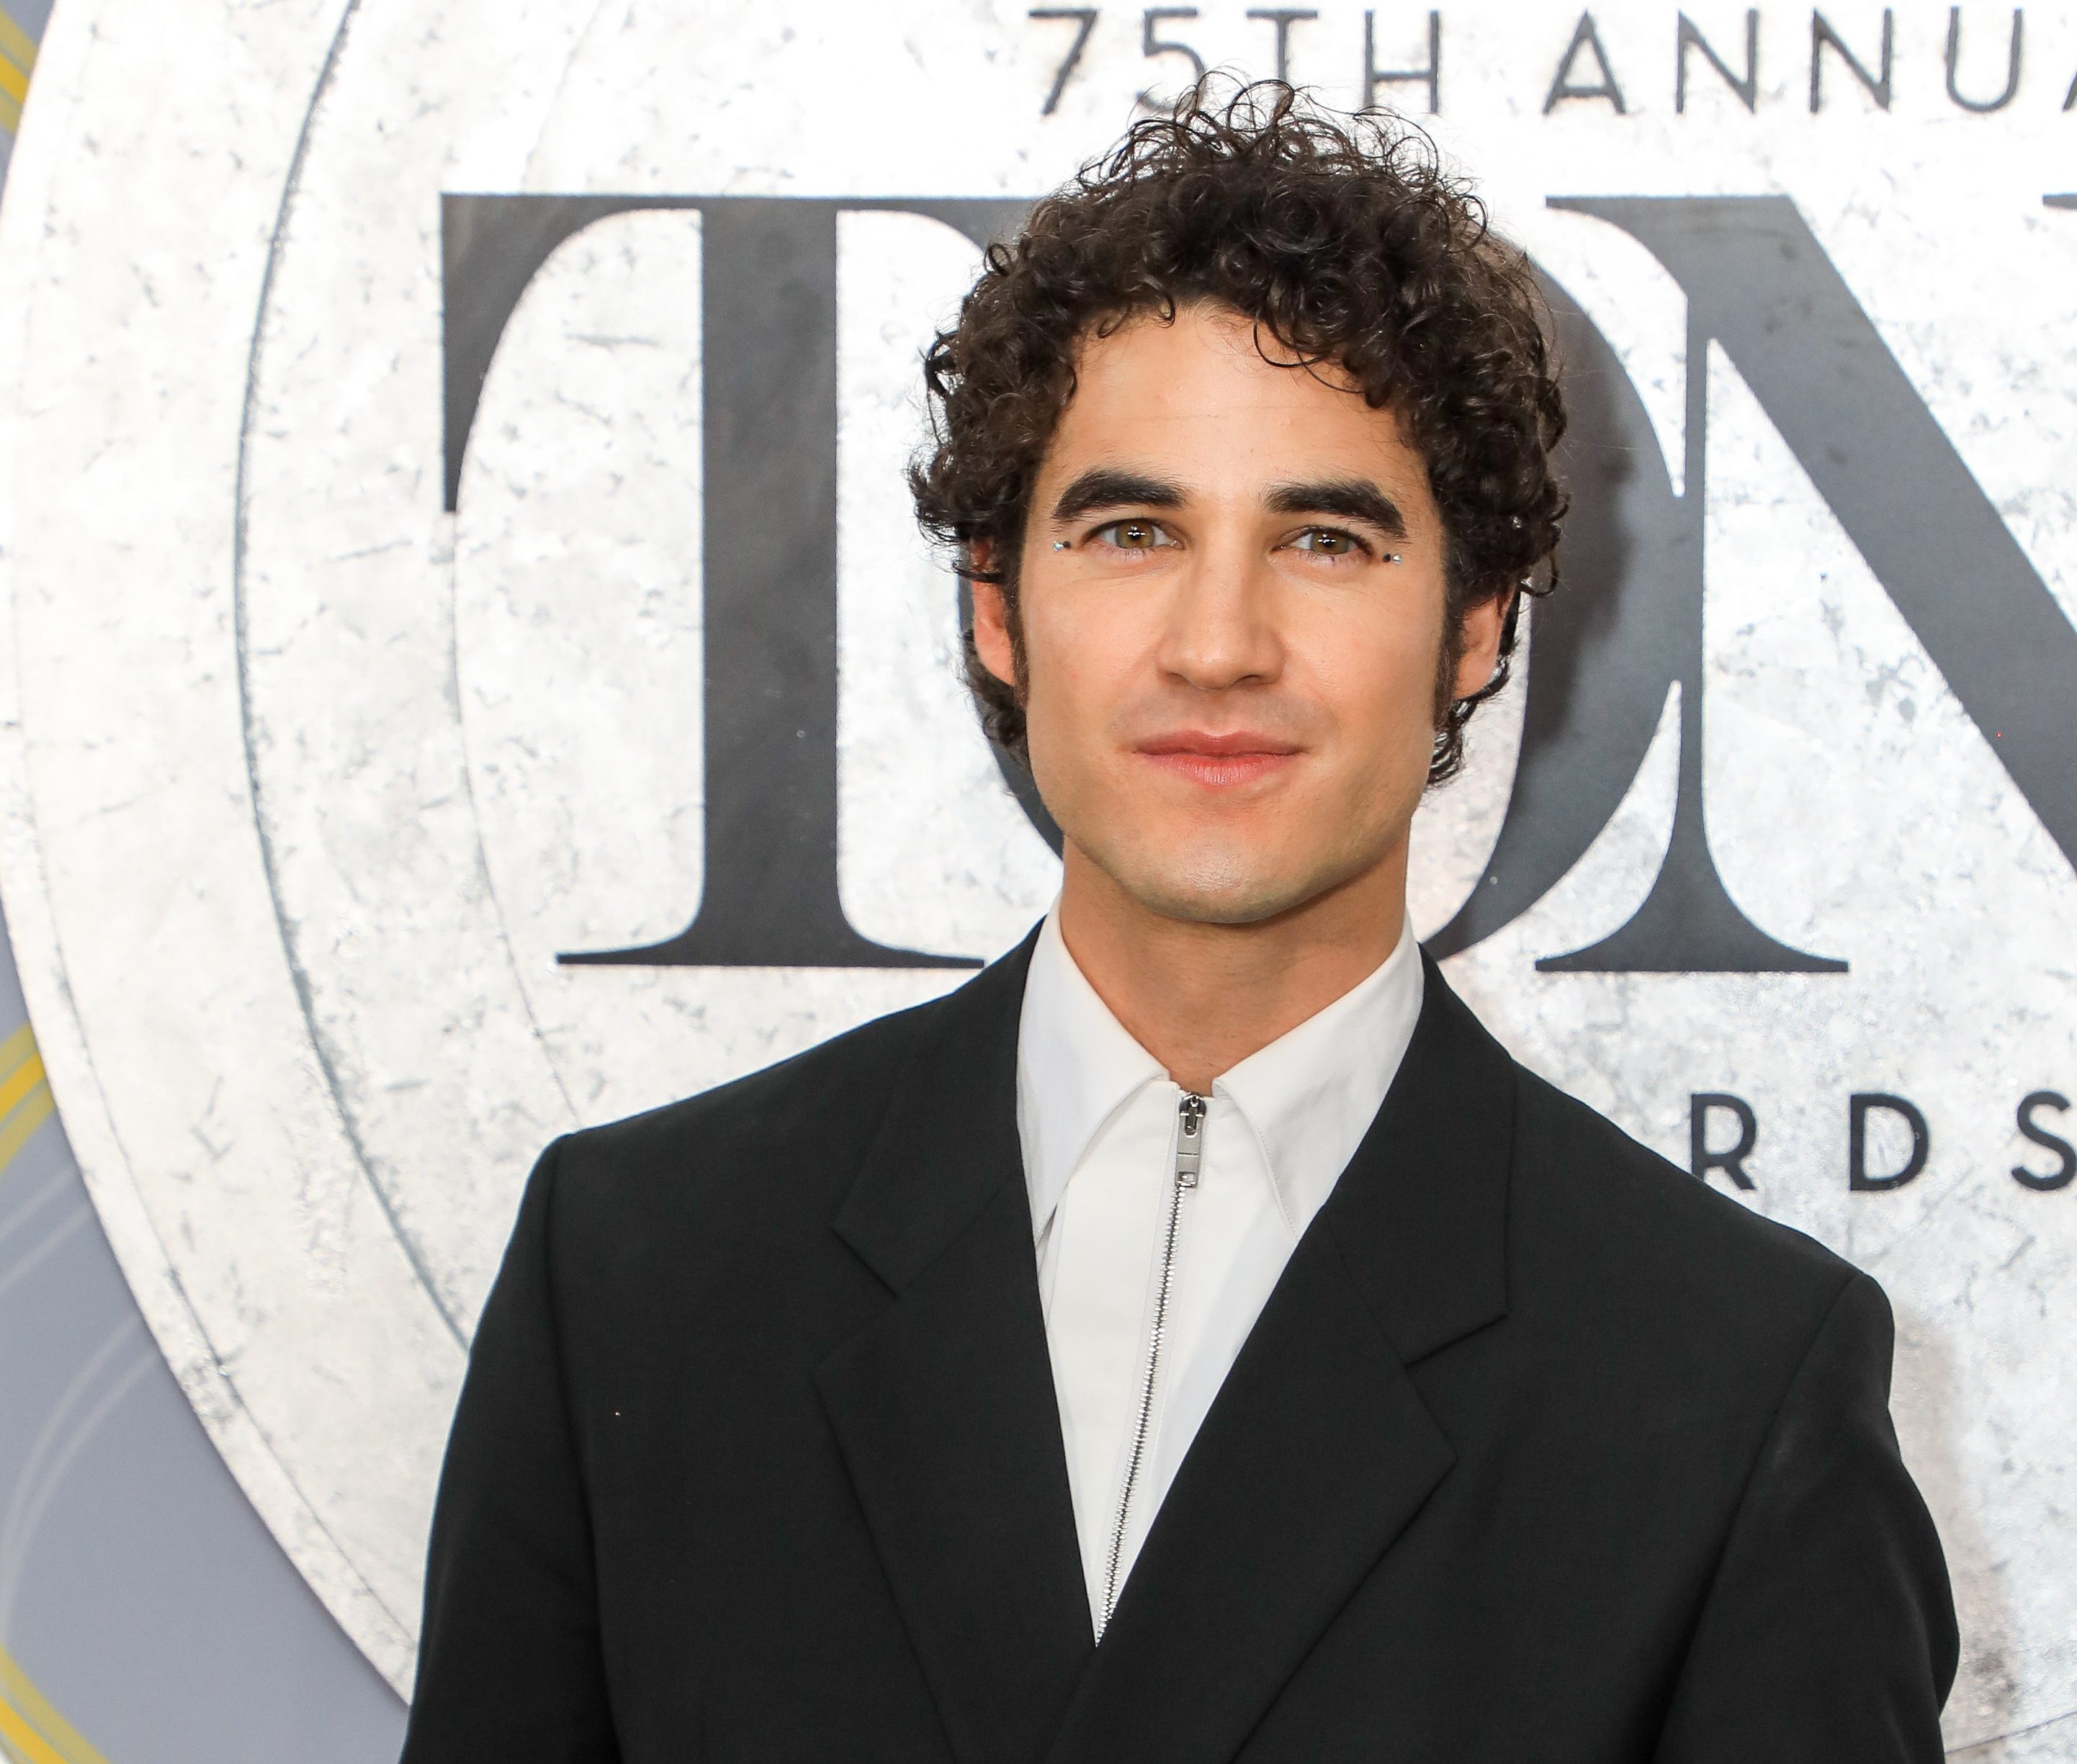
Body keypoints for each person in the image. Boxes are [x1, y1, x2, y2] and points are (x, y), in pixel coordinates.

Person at [400, 84, 1956, 1762]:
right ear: (1000, 607)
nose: (1219, 642)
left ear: (1474, 629)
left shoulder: (1729, 1383)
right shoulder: (638, 1277)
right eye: (1133, 532)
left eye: (1325, 539)